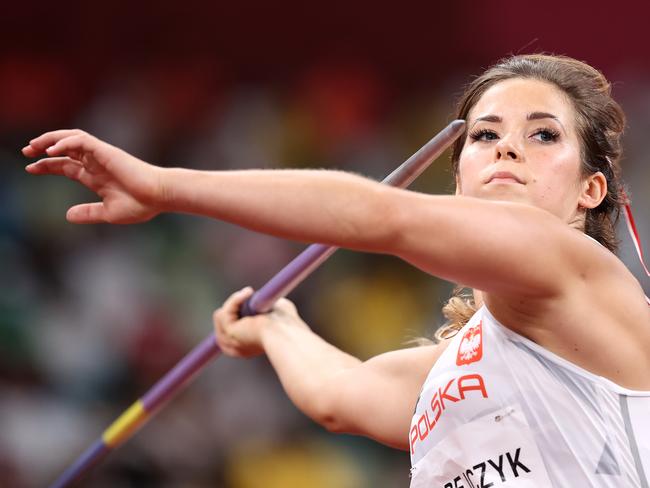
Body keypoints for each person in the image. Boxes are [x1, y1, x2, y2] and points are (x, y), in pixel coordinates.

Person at [24, 54, 650, 486]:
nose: (508, 146)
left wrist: (164, 185)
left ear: (590, 190)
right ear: (458, 180)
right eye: (484, 135)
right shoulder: (457, 369)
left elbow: (380, 216)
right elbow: (337, 397)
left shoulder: (574, 268)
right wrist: (277, 328)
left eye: (543, 136)